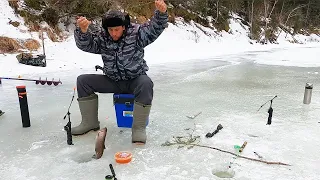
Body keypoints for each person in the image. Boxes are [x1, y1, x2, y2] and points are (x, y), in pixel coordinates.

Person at [72, 0, 168, 144]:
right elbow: (87, 45)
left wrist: (161, 13)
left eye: (116, 29)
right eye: (110, 30)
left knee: (146, 83)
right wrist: (83, 31)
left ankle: (139, 129)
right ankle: (89, 123)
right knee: (83, 81)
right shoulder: (103, 37)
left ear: (124, 26)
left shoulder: (136, 33)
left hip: (134, 80)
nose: (113, 33)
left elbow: (154, 28)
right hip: (113, 81)